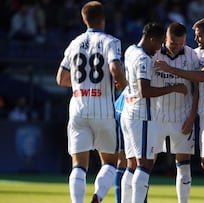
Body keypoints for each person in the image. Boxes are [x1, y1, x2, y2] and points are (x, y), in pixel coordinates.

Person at [155, 17, 204, 203]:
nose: (196, 39)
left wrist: (171, 69)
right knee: (192, 161)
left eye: (199, 36)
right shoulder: (199, 53)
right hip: (198, 112)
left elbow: (203, 76)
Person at [55, 1, 127, 203]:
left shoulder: (74, 43)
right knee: (111, 161)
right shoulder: (111, 41)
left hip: (78, 107)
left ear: (84, 19)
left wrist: (81, 83)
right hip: (103, 107)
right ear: (103, 19)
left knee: (78, 165)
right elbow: (114, 68)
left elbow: (61, 79)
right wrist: (122, 82)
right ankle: (97, 198)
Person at [120, 22, 188, 203]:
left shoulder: (129, 51)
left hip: (128, 110)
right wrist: (174, 87)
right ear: (152, 39)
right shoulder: (143, 59)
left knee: (131, 164)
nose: (160, 48)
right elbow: (145, 91)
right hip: (141, 114)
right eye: (159, 43)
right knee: (145, 164)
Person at [152, 22, 199, 203]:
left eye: (181, 44)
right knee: (147, 162)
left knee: (184, 164)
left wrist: (192, 116)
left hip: (182, 116)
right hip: (157, 116)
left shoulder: (191, 55)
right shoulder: (154, 53)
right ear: (166, 38)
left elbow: (197, 89)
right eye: (173, 44)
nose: (177, 48)